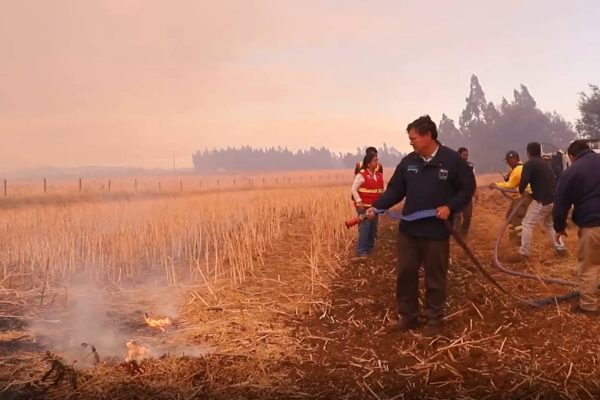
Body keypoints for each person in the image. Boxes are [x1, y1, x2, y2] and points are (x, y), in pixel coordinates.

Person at [367, 115, 475, 336]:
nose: (411, 142)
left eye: (414, 138)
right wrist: (376, 207)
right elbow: (396, 190)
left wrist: (451, 207)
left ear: (428, 136)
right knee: (406, 272)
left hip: (436, 231)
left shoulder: (452, 160)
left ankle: (433, 319)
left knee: (435, 275)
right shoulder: (409, 162)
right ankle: (408, 316)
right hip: (409, 231)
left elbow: (467, 187)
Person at [553, 140, 600, 315]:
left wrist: (559, 227)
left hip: (593, 225)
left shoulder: (572, 172)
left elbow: (560, 203)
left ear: (571, 156)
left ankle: (588, 306)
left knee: (589, 266)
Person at [517, 142, 566, 258]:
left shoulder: (529, 164)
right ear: (540, 151)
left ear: (528, 152)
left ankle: (524, 252)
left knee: (527, 223)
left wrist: (521, 192)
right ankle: (561, 248)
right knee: (549, 224)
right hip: (553, 200)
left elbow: (524, 180)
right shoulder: (546, 163)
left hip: (542, 200)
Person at [488, 150, 531, 244]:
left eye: (508, 160)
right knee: (510, 215)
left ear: (513, 159)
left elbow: (510, 185)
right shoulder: (516, 169)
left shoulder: (518, 170)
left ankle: (520, 243)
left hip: (523, 197)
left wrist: (496, 185)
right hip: (519, 197)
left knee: (516, 218)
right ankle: (513, 239)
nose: (507, 163)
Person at [351, 153, 384, 257]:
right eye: (375, 160)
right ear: (369, 164)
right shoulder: (361, 175)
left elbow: (381, 191)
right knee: (365, 227)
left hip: (375, 208)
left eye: (377, 160)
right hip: (364, 207)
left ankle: (370, 249)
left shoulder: (378, 176)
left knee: (373, 228)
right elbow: (354, 189)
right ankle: (361, 251)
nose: (377, 162)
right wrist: (359, 201)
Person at [454, 147, 478, 235]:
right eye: (464, 155)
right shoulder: (453, 165)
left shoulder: (471, 166)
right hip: (456, 194)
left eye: (467, 155)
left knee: (468, 215)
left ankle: (464, 233)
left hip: (467, 194)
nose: (465, 157)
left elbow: (473, 180)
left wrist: (476, 192)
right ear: (459, 154)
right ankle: (455, 233)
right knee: (456, 215)